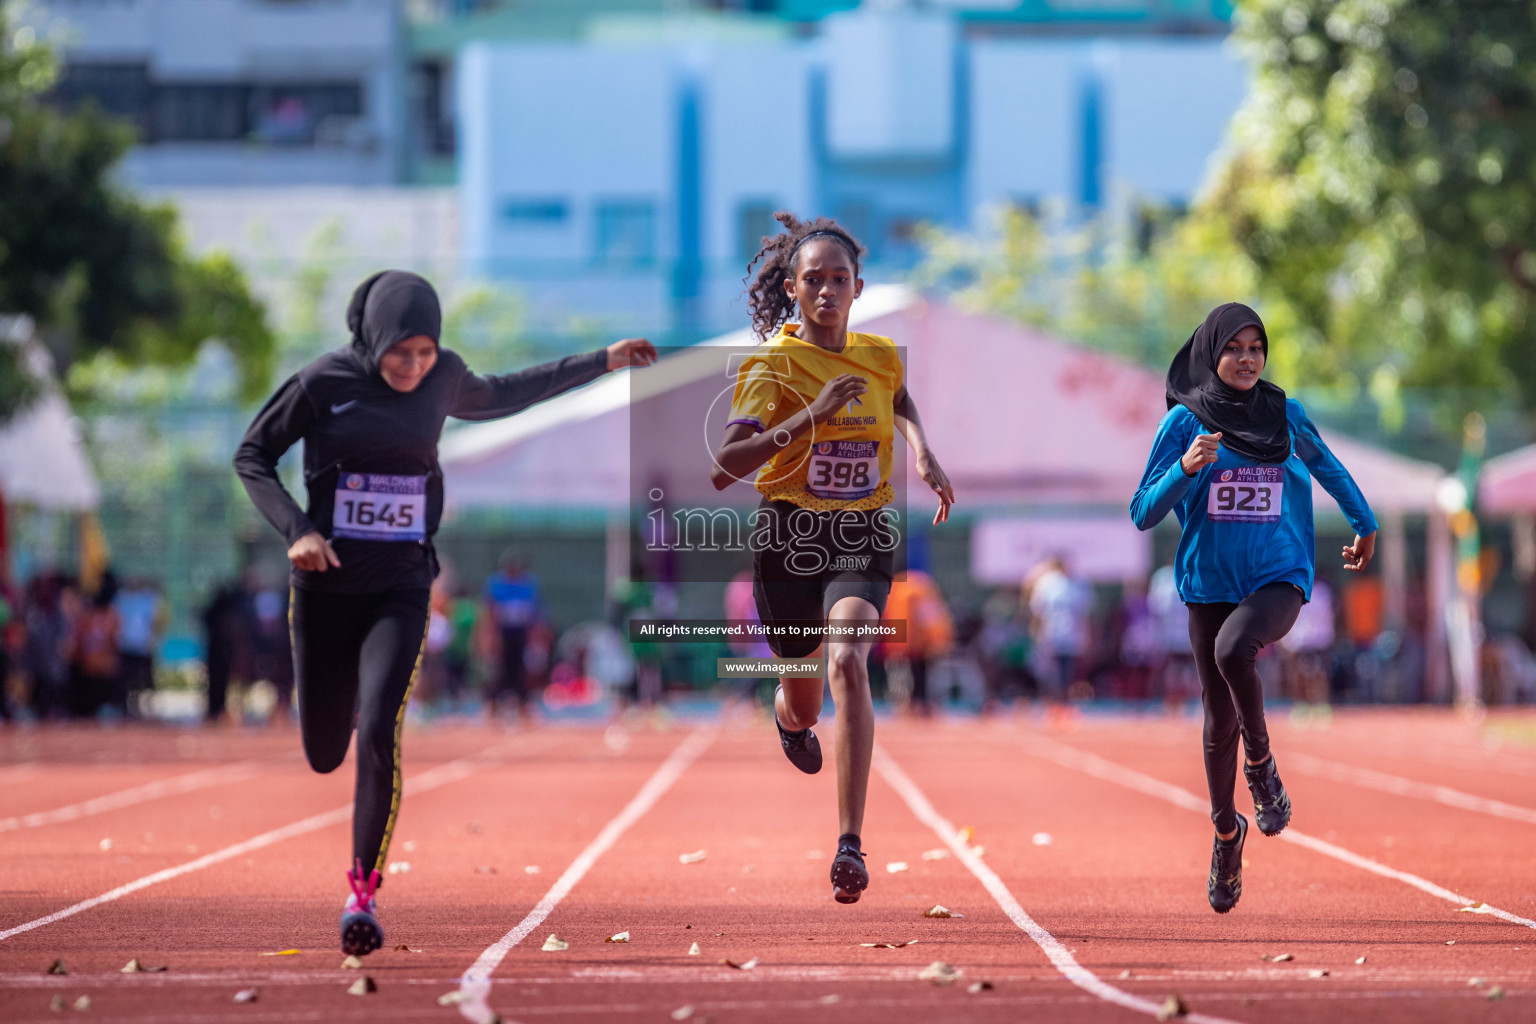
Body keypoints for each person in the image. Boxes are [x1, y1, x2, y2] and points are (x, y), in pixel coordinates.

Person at [234, 269, 655, 955]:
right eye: (402, 352)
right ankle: (333, 712)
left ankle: (363, 893)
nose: (413, 366)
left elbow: (512, 391)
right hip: (325, 590)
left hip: (401, 585)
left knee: (379, 729)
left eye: (426, 352)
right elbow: (252, 454)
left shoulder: (443, 379)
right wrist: (297, 531)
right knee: (323, 752)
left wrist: (601, 361)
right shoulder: (324, 383)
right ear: (373, 341)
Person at [711, 212, 954, 904]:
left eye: (838, 280)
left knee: (849, 657)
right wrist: (810, 416)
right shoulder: (771, 365)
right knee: (805, 697)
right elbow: (726, 465)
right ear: (792, 288)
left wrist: (921, 449)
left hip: (863, 531)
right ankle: (788, 717)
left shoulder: (879, 355)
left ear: (858, 287)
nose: (826, 291)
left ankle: (850, 843)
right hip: (789, 538)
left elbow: (899, 398)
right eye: (812, 280)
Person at [1130, 302, 1376, 915]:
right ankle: (1225, 833)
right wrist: (1185, 471)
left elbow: (1328, 465)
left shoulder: (1285, 415)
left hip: (1278, 576)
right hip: (1209, 582)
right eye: (1234, 348)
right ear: (1211, 354)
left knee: (1233, 648)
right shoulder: (1186, 424)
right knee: (1217, 723)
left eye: (1256, 348)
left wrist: (1364, 522)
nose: (1246, 359)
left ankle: (1262, 768)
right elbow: (1142, 512)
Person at [483, 549, 542, 723]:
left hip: (520, 632)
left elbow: (534, 612)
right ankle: (492, 706)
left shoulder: (528, 584)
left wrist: (535, 637)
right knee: (498, 670)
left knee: (521, 670)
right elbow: (490, 611)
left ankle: (524, 706)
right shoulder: (495, 584)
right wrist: (491, 637)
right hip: (502, 632)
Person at [114, 578, 166, 718]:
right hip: (126, 645)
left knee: (145, 678)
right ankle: (128, 706)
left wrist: (153, 636)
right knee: (127, 679)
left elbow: (157, 621)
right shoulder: (121, 598)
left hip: (143, 646)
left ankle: (147, 705)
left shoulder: (149, 598)